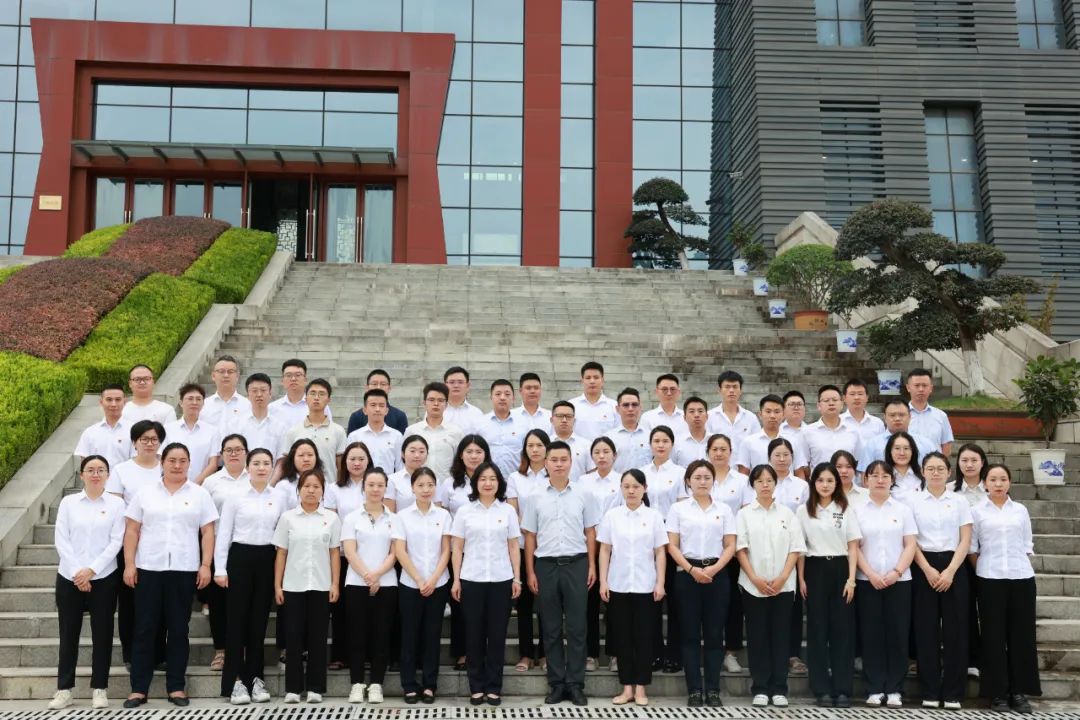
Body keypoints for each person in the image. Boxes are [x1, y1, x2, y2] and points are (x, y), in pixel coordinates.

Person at [122, 442, 218, 708]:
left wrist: (206, 565)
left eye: (182, 461)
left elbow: (208, 532)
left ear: (189, 464)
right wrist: (129, 564)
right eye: (172, 460)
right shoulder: (145, 493)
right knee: (144, 629)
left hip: (183, 570)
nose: (177, 465)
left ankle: (176, 687)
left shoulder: (200, 494)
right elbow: (132, 530)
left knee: (178, 630)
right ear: (162, 462)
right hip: (148, 569)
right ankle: (138, 689)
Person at [523, 441, 599, 706]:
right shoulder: (535, 496)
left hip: (577, 564)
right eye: (553, 459)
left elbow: (590, 532)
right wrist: (530, 571)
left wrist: (592, 565)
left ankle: (576, 684)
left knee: (577, 627)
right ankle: (556, 683)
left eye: (563, 459)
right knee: (551, 627)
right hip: (546, 566)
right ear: (545, 462)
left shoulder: (584, 493)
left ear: (570, 462)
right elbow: (530, 536)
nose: (558, 464)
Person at [49, 456, 125, 710]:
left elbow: (116, 541)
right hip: (69, 577)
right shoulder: (69, 503)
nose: (95, 474)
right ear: (81, 474)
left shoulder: (116, 504)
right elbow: (61, 539)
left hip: (103, 577)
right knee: (68, 634)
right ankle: (64, 689)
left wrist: (91, 570)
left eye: (101, 470)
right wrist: (77, 572)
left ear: (108, 475)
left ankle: (100, 688)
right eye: (90, 470)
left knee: (102, 634)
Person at [450, 462, 522, 706]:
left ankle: (493, 687)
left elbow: (514, 546)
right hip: (472, 579)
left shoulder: (508, 511)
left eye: (492, 479)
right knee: (474, 635)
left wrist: (517, 577)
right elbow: (457, 548)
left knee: (497, 635)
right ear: (475, 483)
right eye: (483, 479)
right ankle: (476, 687)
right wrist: (456, 579)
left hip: (501, 579)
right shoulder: (465, 511)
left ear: (499, 483)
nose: (488, 483)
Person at [970, 464, 1040, 714]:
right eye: (993, 479)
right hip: (990, 579)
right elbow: (972, 548)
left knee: (1021, 636)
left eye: (1003, 479)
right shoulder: (977, 511)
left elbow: (1027, 544)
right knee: (993, 636)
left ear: (1009, 482)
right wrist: (985, 569)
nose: (998, 484)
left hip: (1022, 578)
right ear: (985, 484)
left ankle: (1019, 692)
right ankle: (997, 692)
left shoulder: (1020, 510)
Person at [666, 460, 736, 708]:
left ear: (713, 481)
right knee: (690, 634)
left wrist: (714, 569)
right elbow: (672, 545)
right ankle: (694, 689)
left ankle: (713, 690)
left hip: (717, 575)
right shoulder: (678, 509)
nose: (702, 481)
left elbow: (730, 545)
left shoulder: (724, 509)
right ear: (688, 481)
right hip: (687, 575)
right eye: (697, 477)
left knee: (715, 634)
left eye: (707, 477)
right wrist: (691, 569)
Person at [214, 448, 281, 705]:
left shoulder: (278, 497)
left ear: (272, 467)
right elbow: (224, 534)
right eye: (256, 463)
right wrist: (220, 568)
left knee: (258, 624)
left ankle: (256, 680)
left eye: (266, 463)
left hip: (267, 559)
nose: (261, 468)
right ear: (248, 466)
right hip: (240, 558)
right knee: (236, 624)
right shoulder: (236, 496)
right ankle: (235, 682)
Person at [736, 464, 806, 708]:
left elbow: (796, 549)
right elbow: (740, 549)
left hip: (783, 586)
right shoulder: (744, 514)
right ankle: (760, 688)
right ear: (753, 485)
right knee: (757, 637)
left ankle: (779, 688)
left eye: (769, 481)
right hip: (753, 585)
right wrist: (754, 578)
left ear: (776, 484)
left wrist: (783, 577)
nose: (765, 485)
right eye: (760, 481)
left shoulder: (787, 514)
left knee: (780, 636)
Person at [907, 452, 972, 710]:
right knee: (926, 630)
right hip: (923, 566)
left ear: (949, 472)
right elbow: (910, 540)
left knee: (956, 630)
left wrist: (950, 571)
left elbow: (965, 539)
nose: (935, 473)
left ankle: (954, 692)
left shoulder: (959, 501)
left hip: (954, 565)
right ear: (923, 472)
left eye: (940, 469)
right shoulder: (912, 502)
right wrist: (927, 569)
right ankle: (930, 690)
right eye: (930, 468)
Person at [598, 469, 667, 706]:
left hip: (646, 585)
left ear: (644, 488)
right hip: (618, 584)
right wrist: (603, 581)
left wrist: (660, 582)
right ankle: (627, 688)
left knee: (644, 638)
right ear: (621, 488)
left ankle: (641, 689)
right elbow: (605, 549)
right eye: (626, 486)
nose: (631, 491)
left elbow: (660, 551)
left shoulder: (654, 516)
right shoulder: (612, 516)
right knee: (623, 638)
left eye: (636, 486)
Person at [273, 469, 341, 704]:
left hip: (321, 585)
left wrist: (334, 583)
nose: (311, 490)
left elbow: (334, 553)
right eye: (306, 486)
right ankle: (292, 688)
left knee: (318, 638)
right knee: (293, 637)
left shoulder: (331, 518)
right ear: (299, 490)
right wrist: (278, 585)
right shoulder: (288, 518)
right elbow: (281, 553)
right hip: (293, 585)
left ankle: (315, 687)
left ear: (323, 491)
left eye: (316, 487)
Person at [796, 462, 861, 708]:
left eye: (830, 480)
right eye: (820, 480)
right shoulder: (804, 511)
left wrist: (851, 580)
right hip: (814, 570)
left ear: (837, 484)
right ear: (813, 483)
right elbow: (800, 548)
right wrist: (801, 578)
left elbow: (853, 546)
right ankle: (821, 689)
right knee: (817, 631)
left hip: (841, 569)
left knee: (842, 632)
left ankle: (843, 689)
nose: (825, 485)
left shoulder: (845, 508)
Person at [854, 459, 918, 708]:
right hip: (867, 581)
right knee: (871, 634)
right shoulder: (857, 510)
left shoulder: (902, 510)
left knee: (898, 634)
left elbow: (910, 544)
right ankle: (874, 687)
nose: (880, 480)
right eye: (874, 475)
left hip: (899, 581)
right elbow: (854, 546)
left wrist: (896, 571)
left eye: (885, 476)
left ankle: (894, 688)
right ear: (865, 480)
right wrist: (870, 573)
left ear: (892, 480)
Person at [105, 420, 165, 668]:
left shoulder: (168, 466)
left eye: (154, 439)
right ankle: (130, 653)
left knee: (159, 601)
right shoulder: (122, 470)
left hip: (161, 544)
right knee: (130, 601)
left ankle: (158, 654)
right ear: (134, 442)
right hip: (129, 542)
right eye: (144, 439)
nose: (149, 443)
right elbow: (114, 507)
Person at [393, 467, 452, 704]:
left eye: (430, 485)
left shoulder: (444, 516)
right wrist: (418, 579)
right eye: (420, 485)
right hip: (410, 584)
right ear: (412, 488)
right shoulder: (402, 516)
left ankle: (429, 685)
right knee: (409, 634)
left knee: (432, 635)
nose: (426, 489)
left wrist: (434, 579)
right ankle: (408, 684)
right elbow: (400, 550)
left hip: (438, 583)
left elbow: (446, 550)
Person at [342, 468, 398, 705]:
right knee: (356, 634)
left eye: (380, 485)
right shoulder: (352, 518)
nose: (375, 489)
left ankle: (376, 684)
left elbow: (395, 552)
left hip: (387, 583)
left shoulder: (394, 519)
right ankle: (356, 683)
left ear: (386, 488)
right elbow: (349, 551)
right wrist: (367, 575)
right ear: (363, 487)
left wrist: (377, 576)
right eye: (371, 485)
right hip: (356, 583)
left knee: (382, 634)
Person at [437, 434, 492, 670]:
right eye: (469, 451)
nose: (473, 456)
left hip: (485, 551)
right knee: (460, 605)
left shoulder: (492, 479)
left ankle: (483, 651)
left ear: (485, 455)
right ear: (460, 455)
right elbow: (441, 516)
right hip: (458, 551)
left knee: (485, 607)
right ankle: (462, 653)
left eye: (478, 451)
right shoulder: (450, 484)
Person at [201, 434, 251, 672]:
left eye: (238, 449)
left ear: (246, 453)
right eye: (228, 450)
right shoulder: (211, 482)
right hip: (216, 547)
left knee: (245, 602)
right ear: (221, 454)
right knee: (218, 602)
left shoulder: (255, 478)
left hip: (246, 548)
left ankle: (242, 648)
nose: (233, 454)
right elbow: (204, 519)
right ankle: (221, 650)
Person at [271, 439, 324, 664]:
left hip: (315, 550)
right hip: (290, 549)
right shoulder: (284, 486)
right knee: (288, 603)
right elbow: (278, 517)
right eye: (301, 455)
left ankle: (309, 647)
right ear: (292, 458)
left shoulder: (323, 482)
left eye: (310, 454)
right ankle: (287, 648)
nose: (306, 459)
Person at [639, 425, 685, 673]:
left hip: (671, 540)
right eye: (656, 440)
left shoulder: (680, 473)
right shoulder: (642, 473)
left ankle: (674, 655)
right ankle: (654, 653)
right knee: (651, 600)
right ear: (650, 444)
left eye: (665, 440)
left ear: (672, 444)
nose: (660, 445)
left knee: (675, 600)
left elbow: (682, 509)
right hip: (646, 540)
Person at [706, 433, 753, 673]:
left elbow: (746, 513)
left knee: (734, 603)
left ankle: (731, 652)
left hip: (734, 552)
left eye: (723, 449)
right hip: (707, 551)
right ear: (708, 452)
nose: (719, 453)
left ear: (731, 452)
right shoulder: (701, 477)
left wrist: (736, 545)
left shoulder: (742, 481)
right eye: (714, 449)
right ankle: (709, 651)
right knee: (708, 605)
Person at [323, 441, 371, 670]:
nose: (357, 463)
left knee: (367, 608)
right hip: (342, 555)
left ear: (368, 461)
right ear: (344, 462)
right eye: (352, 459)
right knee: (341, 607)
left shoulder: (375, 484)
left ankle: (367, 655)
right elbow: (331, 521)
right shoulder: (334, 489)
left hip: (370, 555)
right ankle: (340, 655)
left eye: (361, 459)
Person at [507, 429, 551, 674]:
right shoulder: (516, 477)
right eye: (530, 445)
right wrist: (529, 529)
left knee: (546, 603)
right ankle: (525, 653)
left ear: (547, 448)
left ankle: (544, 653)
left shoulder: (554, 476)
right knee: (523, 604)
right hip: (523, 545)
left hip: (547, 547)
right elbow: (513, 510)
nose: (535, 450)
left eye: (539, 445)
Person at [579, 436, 620, 669]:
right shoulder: (583, 482)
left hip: (616, 548)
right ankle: (591, 654)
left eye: (606, 451)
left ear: (615, 455)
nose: (602, 456)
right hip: (589, 546)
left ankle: (615, 653)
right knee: (589, 603)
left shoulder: (623, 480)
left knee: (615, 603)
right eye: (597, 452)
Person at [954, 442, 989, 678]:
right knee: (964, 610)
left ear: (982, 463)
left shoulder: (993, 487)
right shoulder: (951, 491)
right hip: (959, 557)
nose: (969, 465)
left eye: (974, 460)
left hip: (989, 556)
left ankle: (990, 657)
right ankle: (970, 659)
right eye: (964, 460)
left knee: (988, 610)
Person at [278, 379, 347, 485]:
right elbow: (287, 465)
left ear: (328, 400)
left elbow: (341, 467)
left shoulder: (338, 431)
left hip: (328, 488)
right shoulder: (293, 431)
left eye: (321, 394)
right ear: (306, 399)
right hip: (300, 489)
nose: (316, 397)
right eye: (313, 393)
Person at [735, 394, 808, 478]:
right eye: (768, 411)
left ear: (783, 415)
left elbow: (799, 473)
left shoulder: (793, 441)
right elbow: (743, 475)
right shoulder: (748, 442)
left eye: (777, 412)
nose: (772, 416)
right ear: (760, 414)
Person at [220, 373, 286, 463]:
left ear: (270, 393)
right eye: (254, 391)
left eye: (263, 390)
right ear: (248, 395)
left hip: (271, 471)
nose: (259, 394)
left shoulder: (280, 426)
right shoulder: (235, 424)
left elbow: (281, 459)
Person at [405, 382, 463, 480]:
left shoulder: (456, 432)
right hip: (417, 484)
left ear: (446, 404)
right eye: (431, 400)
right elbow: (403, 461)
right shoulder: (412, 431)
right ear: (424, 403)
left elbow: (460, 461)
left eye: (440, 400)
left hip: (446, 486)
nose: (436, 404)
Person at [163, 383, 220, 484]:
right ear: (181, 402)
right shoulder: (168, 429)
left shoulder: (212, 431)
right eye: (190, 398)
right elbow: (161, 459)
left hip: (201, 486)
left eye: (198, 399)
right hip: (172, 485)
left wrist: (195, 485)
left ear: (203, 403)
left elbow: (213, 464)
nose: (194, 402)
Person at [859, 399, 937, 471]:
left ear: (910, 417)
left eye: (901, 415)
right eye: (892, 415)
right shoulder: (872, 445)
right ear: (885, 418)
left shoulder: (926, 444)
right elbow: (865, 474)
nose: (897, 419)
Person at [74, 384, 131, 471]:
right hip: (97, 479)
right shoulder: (89, 432)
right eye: (109, 399)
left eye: (118, 400)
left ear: (125, 402)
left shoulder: (134, 430)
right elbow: (85, 465)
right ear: (101, 402)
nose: (113, 404)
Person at [481, 379, 531, 479]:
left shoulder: (524, 424)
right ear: (491, 397)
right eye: (498, 394)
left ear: (513, 398)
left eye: (507, 394)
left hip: (517, 480)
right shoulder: (480, 423)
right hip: (488, 481)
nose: (502, 398)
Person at [804, 385, 862, 469]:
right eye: (826, 400)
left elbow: (858, 461)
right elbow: (805, 465)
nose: (831, 403)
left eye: (835, 400)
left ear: (842, 404)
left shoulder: (853, 431)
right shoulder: (808, 432)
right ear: (819, 405)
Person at [347, 389, 404, 473]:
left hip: (388, 481)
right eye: (373, 405)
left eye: (381, 405)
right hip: (362, 481)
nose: (377, 409)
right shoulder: (354, 436)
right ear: (365, 410)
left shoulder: (396, 436)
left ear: (386, 411)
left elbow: (400, 466)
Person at [705, 371, 761, 456]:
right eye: (727, 387)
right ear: (719, 390)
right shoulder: (709, 417)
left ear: (740, 390)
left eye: (735, 387)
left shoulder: (751, 418)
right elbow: (706, 446)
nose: (731, 390)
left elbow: (757, 446)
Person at [270, 359, 333, 430]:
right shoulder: (272, 408)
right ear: (282, 381)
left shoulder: (320, 406)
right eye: (288, 375)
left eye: (298, 375)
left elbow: (328, 430)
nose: (293, 379)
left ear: (305, 380)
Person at [905, 369, 954, 456]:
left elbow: (946, 445)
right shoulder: (900, 415)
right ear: (908, 388)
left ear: (931, 388)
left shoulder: (941, 416)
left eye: (924, 385)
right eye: (917, 385)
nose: (921, 389)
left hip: (934, 464)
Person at [346, 369, 409, 434]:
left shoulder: (400, 416)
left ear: (389, 388)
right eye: (374, 384)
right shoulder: (356, 417)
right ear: (367, 388)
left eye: (383, 384)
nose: (378, 387)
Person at [570, 361, 619, 441]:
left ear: (602, 380)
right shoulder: (571, 405)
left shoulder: (614, 406)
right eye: (588, 378)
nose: (592, 381)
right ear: (582, 381)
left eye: (596, 377)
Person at [202, 355, 252, 429]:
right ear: (213, 376)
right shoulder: (203, 405)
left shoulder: (248, 405)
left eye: (230, 372)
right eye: (221, 371)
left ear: (237, 376)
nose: (226, 375)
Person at [548, 400, 591, 480]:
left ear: (574, 420)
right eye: (560, 416)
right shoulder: (545, 444)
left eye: (568, 416)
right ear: (551, 420)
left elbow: (591, 472)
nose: (564, 420)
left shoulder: (586, 445)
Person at [611, 388, 650, 472]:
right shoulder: (609, 438)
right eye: (626, 405)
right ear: (617, 409)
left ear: (640, 408)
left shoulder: (650, 436)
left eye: (634, 405)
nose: (630, 409)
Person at [387, 435, 429, 512]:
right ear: (403, 454)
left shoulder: (433, 479)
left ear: (427, 455)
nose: (417, 455)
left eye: (421, 452)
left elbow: (437, 510)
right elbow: (390, 514)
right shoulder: (392, 480)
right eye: (412, 451)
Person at [840, 378, 886, 446]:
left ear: (867, 397)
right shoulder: (838, 422)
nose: (856, 397)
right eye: (852, 394)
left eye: (860, 394)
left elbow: (882, 447)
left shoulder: (877, 423)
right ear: (844, 398)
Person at [443, 366, 486, 435]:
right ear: (444, 386)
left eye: (460, 382)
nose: (456, 385)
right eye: (452, 382)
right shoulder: (435, 411)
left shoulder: (476, 413)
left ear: (468, 386)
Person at [674, 396, 710, 466]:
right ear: (684, 417)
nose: (696, 415)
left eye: (700, 411)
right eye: (691, 411)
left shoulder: (715, 441)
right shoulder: (676, 442)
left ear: (707, 416)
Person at [885, 431, 923, 497]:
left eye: (906, 448)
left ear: (912, 451)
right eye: (897, 448)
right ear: (890, 451)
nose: (902, 453)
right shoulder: (882, 476)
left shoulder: (923, 474)